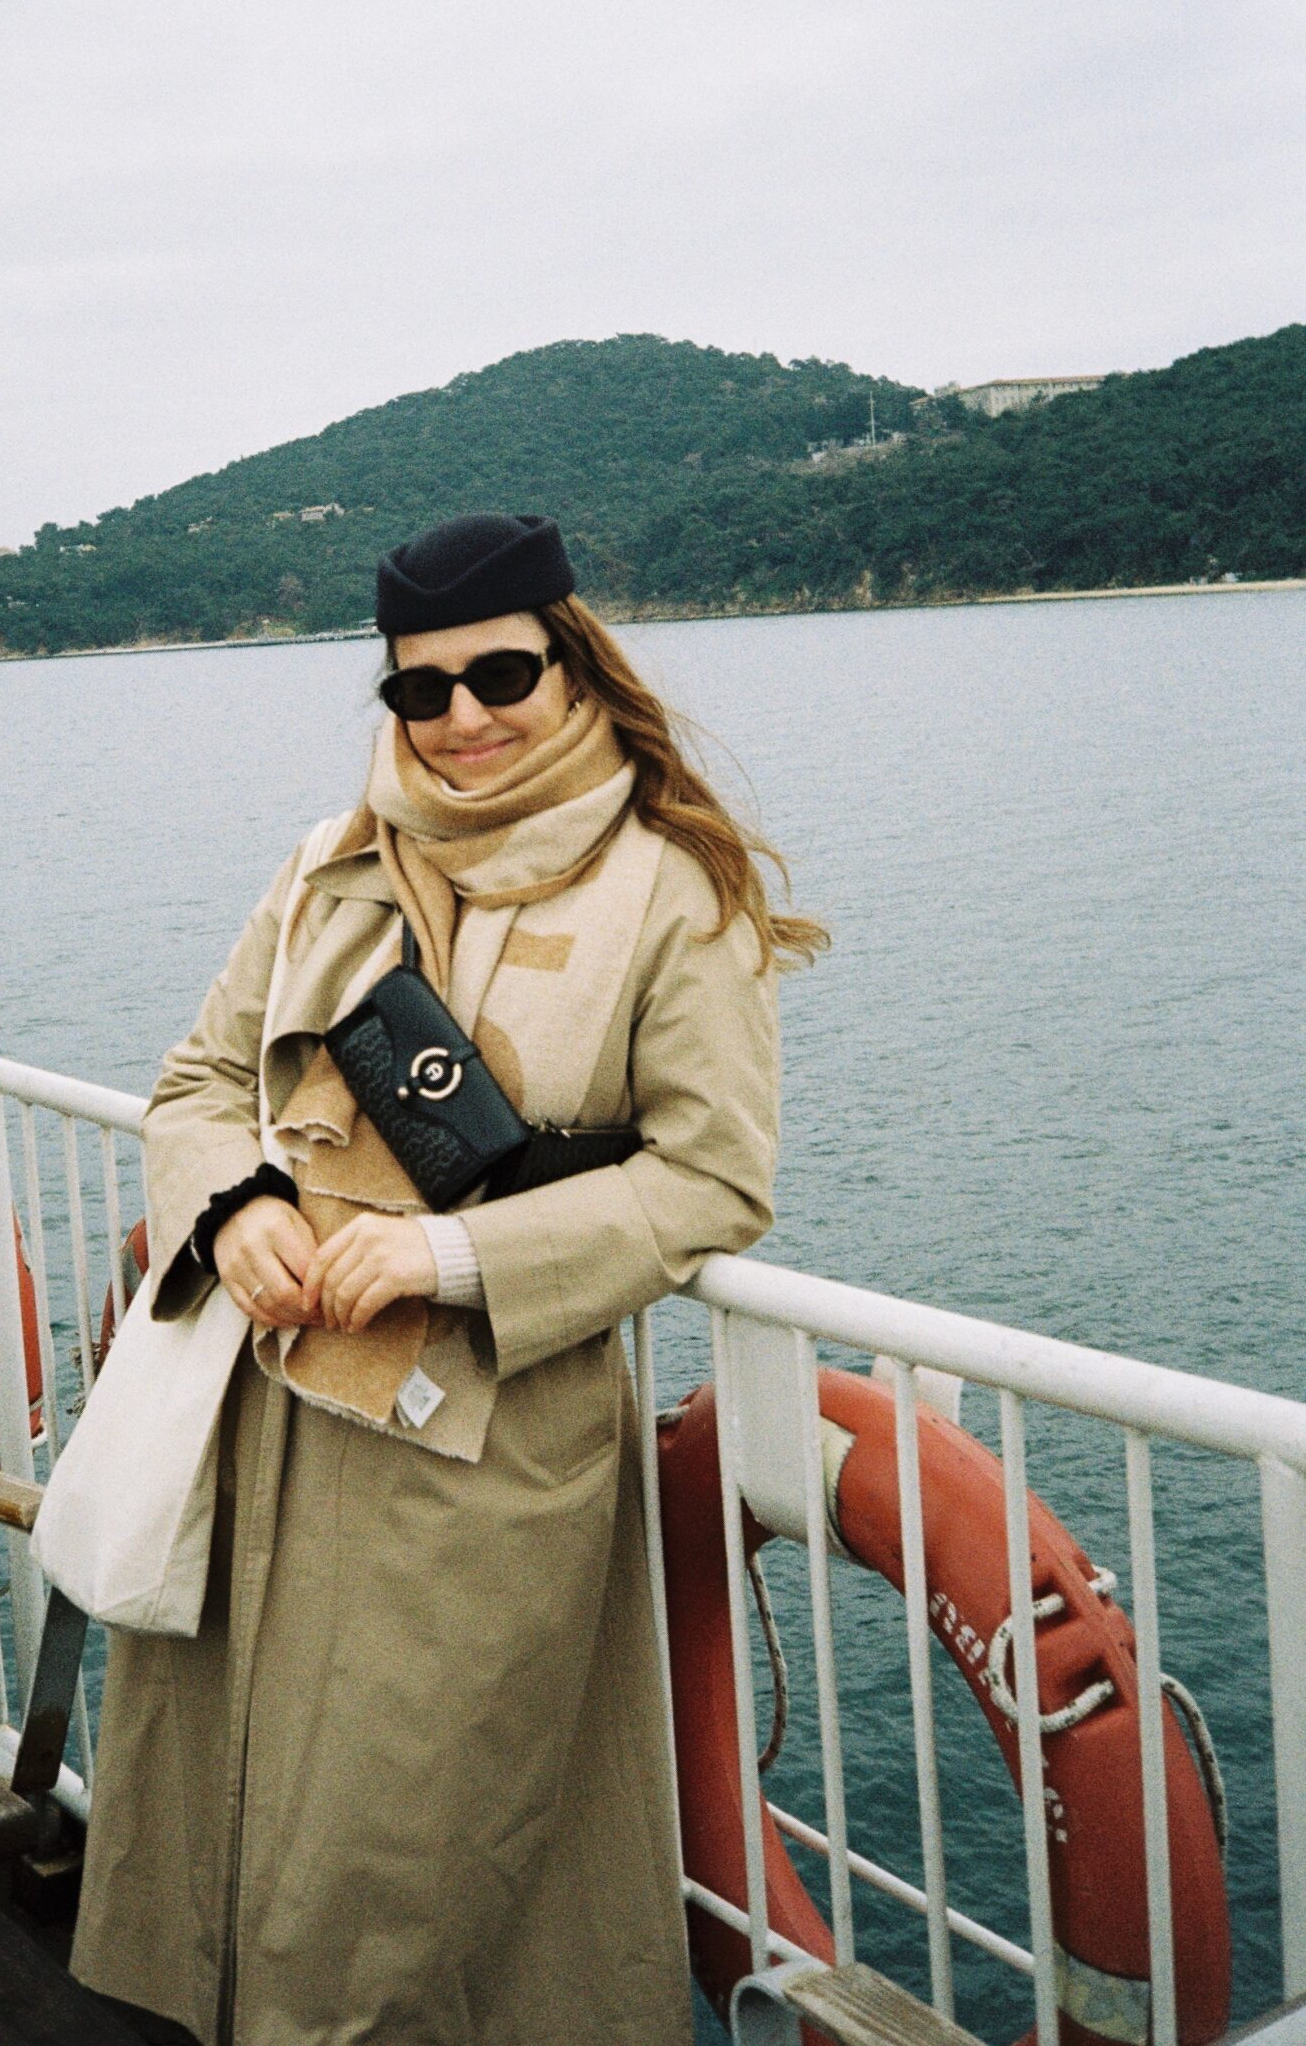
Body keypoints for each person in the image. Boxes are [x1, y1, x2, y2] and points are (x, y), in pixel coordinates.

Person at [71, 511, 825, 2046]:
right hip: (268, 1423)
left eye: (501, 675)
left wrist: (451, 1254)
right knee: (231, 1837)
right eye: (422, 689)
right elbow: (201, 1081)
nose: (464, 717)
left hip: (478, 1467)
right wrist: (232, 1211)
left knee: (397, 1884)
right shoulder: (330, 866)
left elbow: (714, 1179)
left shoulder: (673, 891)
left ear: (574, 664)